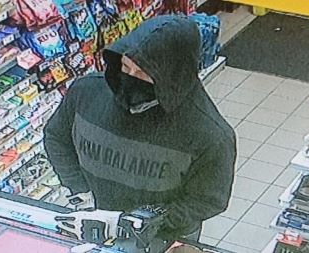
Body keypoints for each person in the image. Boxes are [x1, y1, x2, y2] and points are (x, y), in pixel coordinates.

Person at [44, 14, 236, 244]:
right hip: (89, 223)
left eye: (144, 73)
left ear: (173, 76)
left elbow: (207, 200)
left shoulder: (211, 135)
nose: (130, 79)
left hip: (163, 240)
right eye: (125, 66)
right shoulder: (85, 92)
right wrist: (79, 191)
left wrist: (139, 222)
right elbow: (56, 138)